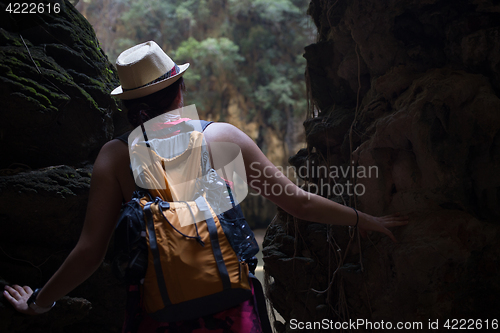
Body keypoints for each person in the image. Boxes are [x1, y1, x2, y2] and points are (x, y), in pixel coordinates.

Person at [3, 41, 408, 331]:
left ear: (127, 105)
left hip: (157, 306)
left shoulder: (114, 156)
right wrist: (365, 219)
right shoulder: (222, 137)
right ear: (180, 91)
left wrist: (40, 302)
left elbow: (90, 251)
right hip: (229, 303)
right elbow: (298, 203)